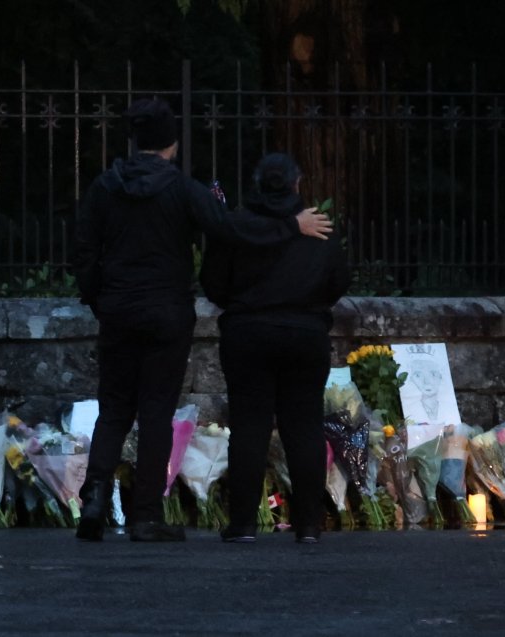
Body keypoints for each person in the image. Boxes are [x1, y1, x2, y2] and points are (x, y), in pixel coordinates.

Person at [73, 99, 333, 542]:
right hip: (166, 311)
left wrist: (100, 299)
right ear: (173, 143)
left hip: (118, 309)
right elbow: (230, 230)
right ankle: (146, 515)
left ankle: (95, 497)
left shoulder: (105, 187)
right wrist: (291, 226)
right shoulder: (183, 190)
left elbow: (83, 250)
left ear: (135, 140)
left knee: (114, 406)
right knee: (156, 410)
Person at [199, 152, 350, 544]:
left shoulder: (236, 228)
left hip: (247, 333)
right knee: (304, 428)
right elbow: (338, 281)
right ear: (297, 185)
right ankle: (309, 524)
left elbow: (213, 283)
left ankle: (244, 522)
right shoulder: (317, 228)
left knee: (249, 427)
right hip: (305, 332)